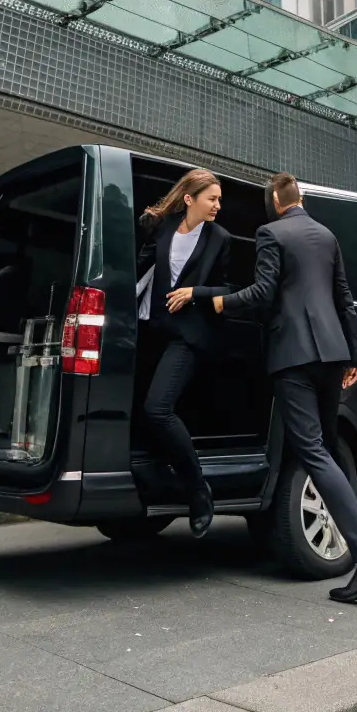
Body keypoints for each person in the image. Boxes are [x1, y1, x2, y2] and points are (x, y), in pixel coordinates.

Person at [170, 171, 357, 603]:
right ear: (300, 197)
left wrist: (214, 300)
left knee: (311, 450)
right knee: (325, 451)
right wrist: (354, 357)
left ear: (275, 199)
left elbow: (262, 292)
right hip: (332, 356)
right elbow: (344, 298)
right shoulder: (326, 235)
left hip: (294, 356)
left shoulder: (270, 233)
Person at [137, 168, 232, 538]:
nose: (218, 206)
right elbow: (139, 267)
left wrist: (195, 293)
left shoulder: (219, 238)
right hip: (151, 330)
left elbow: (224, 286)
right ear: (190, 199)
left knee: (157, 409)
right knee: (142, 412)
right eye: (212, 198)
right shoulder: (162, 227)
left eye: (219, 199)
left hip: (189, 336)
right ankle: (160, 481)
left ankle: (198, 490)